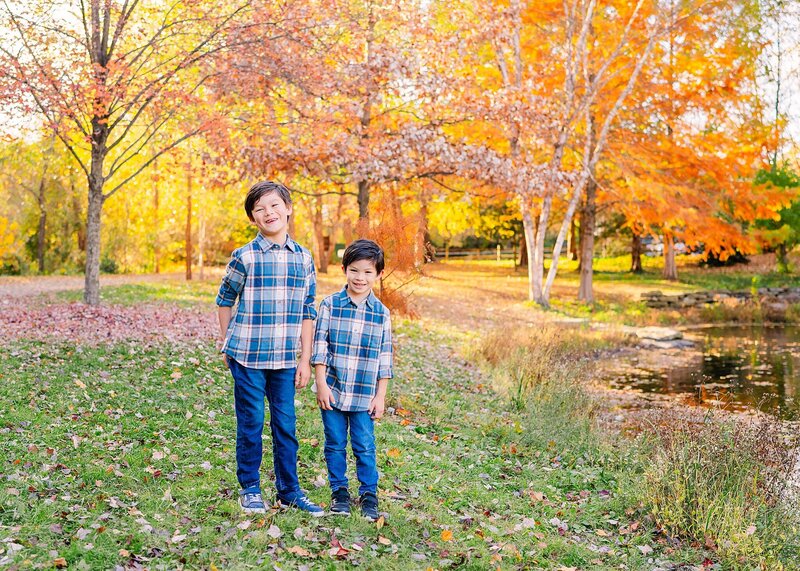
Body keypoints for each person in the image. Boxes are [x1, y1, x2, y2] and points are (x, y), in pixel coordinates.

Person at [216, 180, 324, 517]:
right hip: (247, 356)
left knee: (286, 425)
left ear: (288, 209)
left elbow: (308, 311)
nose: (269, 212)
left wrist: (305, 360)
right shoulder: (244, 256)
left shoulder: (304, 258)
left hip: (285, 360)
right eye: (260, 209)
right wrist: (226, 342)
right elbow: (224, 300)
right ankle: (250, 488)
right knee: (251, 423)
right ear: (253, 218)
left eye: (275, 205)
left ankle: (289, 490)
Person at [311, 239, 393, 521]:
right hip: (332, 390)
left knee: (364, 445)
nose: (360, 278)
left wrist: (380, 396)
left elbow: (385, 358)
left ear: (378, 275)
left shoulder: (382, 314)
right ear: (344, 269)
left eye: (368, 272)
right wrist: (321, 383)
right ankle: (340, 493)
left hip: (363, 394)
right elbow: (319, 347)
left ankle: (369, 494)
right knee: (334, 443)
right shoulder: (331, 305)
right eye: (355, 270)